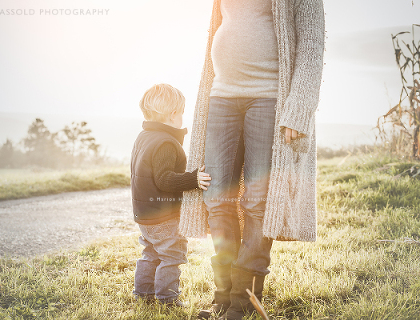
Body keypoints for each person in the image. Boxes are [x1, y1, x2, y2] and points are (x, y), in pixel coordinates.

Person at [179, 0, 325, 319]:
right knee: (216, 197)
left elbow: (312, 42)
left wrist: (299, 108)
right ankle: (223, 295)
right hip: (220, 95)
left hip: (269, 96)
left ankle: (244, 301)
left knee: (258, 201)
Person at [131, 83, 212, 306]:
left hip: (144, 214)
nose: (182, 118)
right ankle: (167, 299)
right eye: (182, 113)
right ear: (173, 114)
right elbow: (164, 179)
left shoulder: (144, 136)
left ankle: (143, 294)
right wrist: (193, 179)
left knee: (151, 253)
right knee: (171, 255)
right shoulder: (166, 142)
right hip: (163, 214)